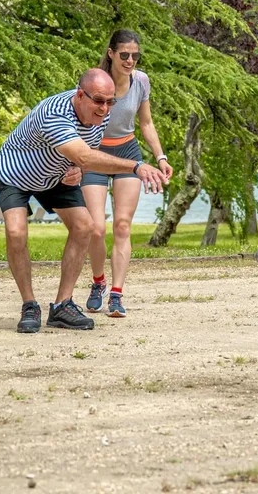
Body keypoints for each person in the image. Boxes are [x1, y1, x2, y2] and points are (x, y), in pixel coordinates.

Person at [0, 68, 167, 334]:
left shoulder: (100, 114)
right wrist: (136, 167)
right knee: (16, 232)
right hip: (18, 172)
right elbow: (86, 155)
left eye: (110, 102)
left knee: (85, 227)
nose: (105, 108)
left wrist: (79, 170)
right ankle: (30, 305)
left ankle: (62, 305)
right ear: (79, 95)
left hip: (56, 175)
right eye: (98, 101)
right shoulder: (54, 114)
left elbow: (86, 156)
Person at [81, 29, 173, 318]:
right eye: (124, 55)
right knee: (96, 227)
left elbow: (145, 123)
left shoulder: (141, 81)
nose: (130, 60)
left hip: (128, 153)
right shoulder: (97, 80)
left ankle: (117, 295)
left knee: (122, 225)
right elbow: (81, 120)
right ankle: (99, 283)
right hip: (96, 155)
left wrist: (160, 157)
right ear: (111, 53)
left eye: (135, 55)